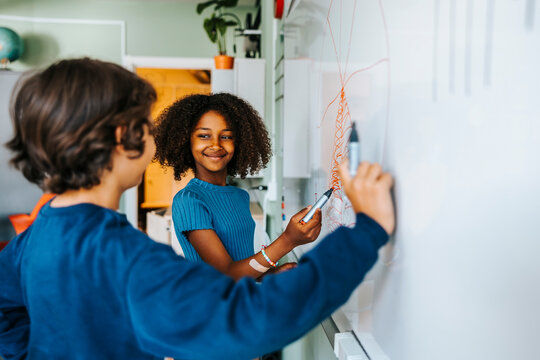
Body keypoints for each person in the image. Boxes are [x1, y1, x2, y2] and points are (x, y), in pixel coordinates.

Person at [0, 58, 395, 360]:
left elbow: (4, 311)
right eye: (146, 124)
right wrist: (368, 230)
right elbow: (252, 319)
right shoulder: (129, 260)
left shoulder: (33, 236)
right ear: (125, 137)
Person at [154, 93, 320, 280]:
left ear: (239, 142)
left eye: (226, 136)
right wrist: (288, 240)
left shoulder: (240, 196)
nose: (215, 145)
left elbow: (242, 268)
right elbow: (227, 274)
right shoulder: (189, 200)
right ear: (186, 141)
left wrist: (271, 274)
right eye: (204, 135)